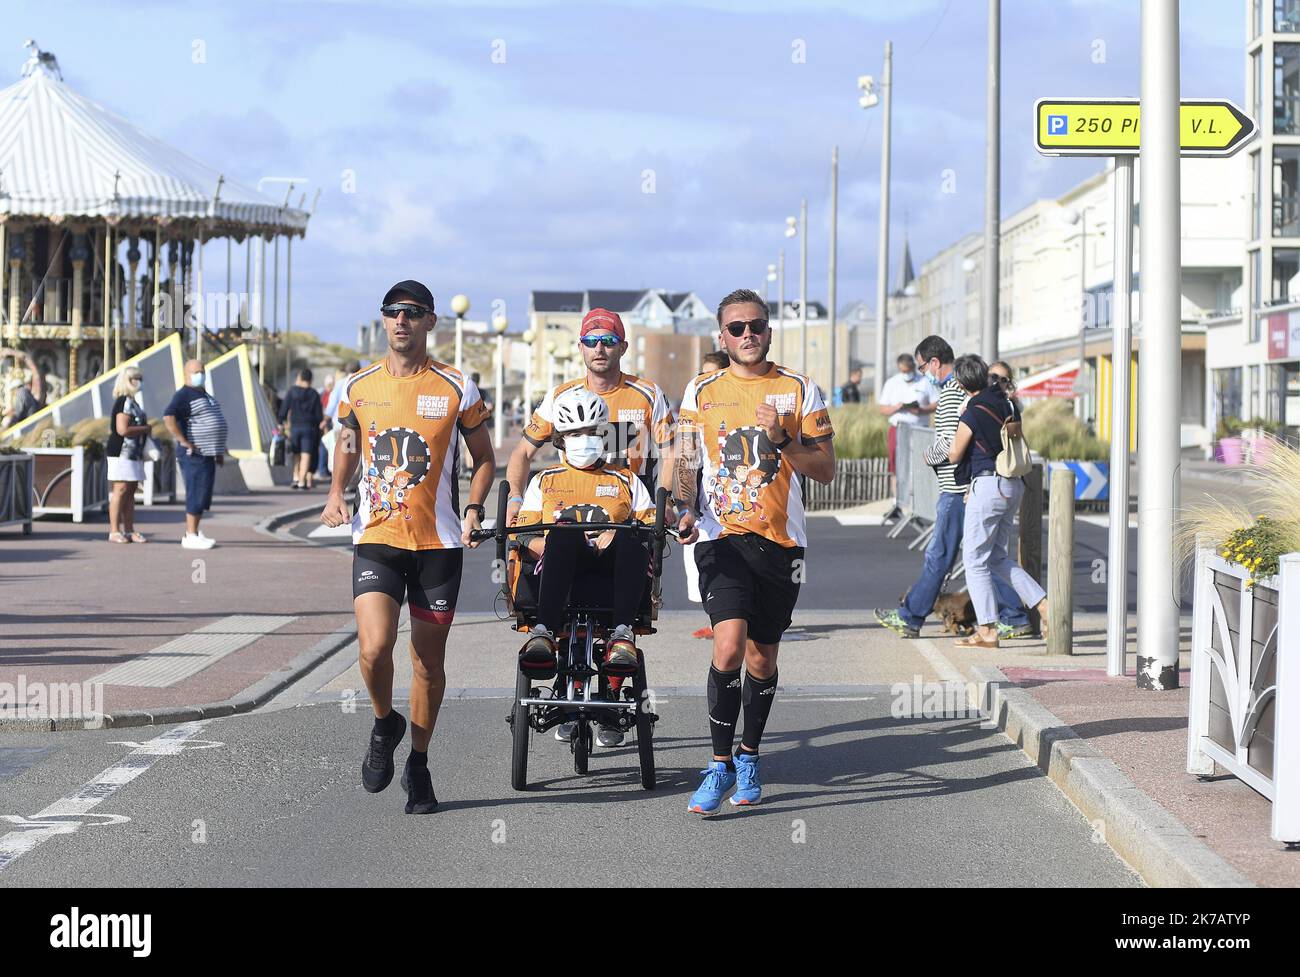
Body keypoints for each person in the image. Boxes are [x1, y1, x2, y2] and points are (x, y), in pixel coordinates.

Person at [320, 280, 494, 815]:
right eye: (393, 312)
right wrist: (335, 494)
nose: (402, 321)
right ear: (383, 319)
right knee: (373, 649)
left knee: (426, 664)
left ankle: (418, 764)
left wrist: (473, 509)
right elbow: (347, 446)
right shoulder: (358, 386)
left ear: (430, 322)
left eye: (413, 313)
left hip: (438, 545)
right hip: (376, 537)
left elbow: (484, 459)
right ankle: (383, 722)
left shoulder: (456, 388)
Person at [674, 288, 836, 814]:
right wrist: (679, 506)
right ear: (721, 336)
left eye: (757, 326)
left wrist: (784, 440)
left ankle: (749, 754)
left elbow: (826, 470)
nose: (748, 336)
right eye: (737, 328)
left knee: (762, 658)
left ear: (769, 331)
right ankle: (719, 764)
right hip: (720, 538)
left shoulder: (799, 390)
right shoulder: (701, 390)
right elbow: (684, 461)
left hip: (781, 545)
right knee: (728, 646)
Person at [506, 306, 675, 746]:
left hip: (621, 507)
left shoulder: (647, 394)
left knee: (630, 546)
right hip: (567, 509)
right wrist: (515, 504)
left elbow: (679, 450)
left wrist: (673, 503)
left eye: (608, 339)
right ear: (580, 346)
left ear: (621, 345)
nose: (600, 348)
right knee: (561, 541)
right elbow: (523, 453)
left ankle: (612, 698)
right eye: (591, 340)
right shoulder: (561, 396)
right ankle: (565, 688)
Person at [874, 338, 1036, 640]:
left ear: (935, 363)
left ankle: (911, 617)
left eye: (923, 367)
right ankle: (1014, 615)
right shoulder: (965, 392)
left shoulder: (951, 395)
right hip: (974, 485)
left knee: (944, 556)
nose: (923, 374)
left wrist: (927, 456)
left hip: (958, 488)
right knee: (981, 557)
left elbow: (952, 442)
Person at [515, 387, 654, 710]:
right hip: (560, 567)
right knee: (563, 532)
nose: (584, 438)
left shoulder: (625, 479)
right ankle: (544, 633)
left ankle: (621, 635)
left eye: (591, 432)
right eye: (576, 433)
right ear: (561, 438)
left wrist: (617, 533)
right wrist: (550, 544)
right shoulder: (544, 480)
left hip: (611, 568)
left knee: (632, 535)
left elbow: (650, 528)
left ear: (605, 434)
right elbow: (523, 535)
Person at [945, 354, 1050, 649]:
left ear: (962, 383)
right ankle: (1043, 605)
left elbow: (955, 453)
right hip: (1012, 485)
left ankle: (988, 630)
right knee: (996, 558)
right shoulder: (1005, 403)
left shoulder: (972, 410)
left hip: (988, 485)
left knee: (975, 561)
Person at [683, 350, 730, 626]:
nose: (703, 378)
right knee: (697, 562)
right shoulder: (695, 403)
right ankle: (716, 617)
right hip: (698, 502)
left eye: (710, 373)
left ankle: (722, 619)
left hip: (722, 505)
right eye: (702, 372)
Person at [163, 359, 228, 550]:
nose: (200, 374)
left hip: (208, 453)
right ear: (186, 374)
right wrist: (183, 440)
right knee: (195, 493)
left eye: (202, 371)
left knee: (203, 494)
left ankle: (195, 531)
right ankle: (190, 534)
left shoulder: (203, 394)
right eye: (196, 372)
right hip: (194, 455)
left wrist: (219, 449)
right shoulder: (183, 395)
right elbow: (168, 416)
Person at [105, 367, 151, 544]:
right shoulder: (124, 401)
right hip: (122, 452)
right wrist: (145, 429)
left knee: (131, 491)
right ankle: (114, 530)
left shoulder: (134, 402)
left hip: (133, 453)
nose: (139, 381)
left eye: (140, 378)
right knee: (121, 489)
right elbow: (122, 429)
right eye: (135, 378)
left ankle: (129, 529)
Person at [877, 353, 937, 474]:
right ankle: (897, 492)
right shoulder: (892, 382)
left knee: (920, 464)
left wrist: (920, 410)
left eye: (908, 370)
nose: (906, 373)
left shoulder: (925, 381)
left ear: (913, 367)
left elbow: (935, 404)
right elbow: (883, 409)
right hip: (897, 428)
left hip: (919, 429)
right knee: (896, 464)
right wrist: (896, 407)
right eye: (903, 371)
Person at [278, 368, 325, 490]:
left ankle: (295, 477)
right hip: (309, 428)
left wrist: (281, 422)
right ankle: (301, 481)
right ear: (310, 380)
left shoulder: (292, 391)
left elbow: (284, 408)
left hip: (295, 427)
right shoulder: (314, 394)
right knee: (306, 454)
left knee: (296, 453)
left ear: (300, 378)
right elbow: (319, 415)